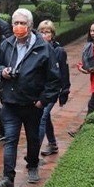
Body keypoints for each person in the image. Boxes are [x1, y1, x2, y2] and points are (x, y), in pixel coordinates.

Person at [0, 8, 61, 187]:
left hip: (32, 104)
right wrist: (2, 72)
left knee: (33, 138)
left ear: (30, 26)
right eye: (16, 23)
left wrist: (43, 100)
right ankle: (8, 178)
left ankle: (32, 165)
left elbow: (54, 78)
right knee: (10, 140)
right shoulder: (7, 44)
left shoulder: (43, 47)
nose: (19, 27)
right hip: (11, 103)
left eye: (22, 23)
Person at [36, 21, 70, 157]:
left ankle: (34, 151)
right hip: (39, 90)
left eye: (47, 32)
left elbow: (64, 72)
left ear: (53, 34)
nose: (44, 35)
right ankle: (53, 143)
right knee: (46, 116)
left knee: (42, 117)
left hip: (52, 90)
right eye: (42, 32)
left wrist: (65, 91)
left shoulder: (59, 51)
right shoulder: (36, 48)